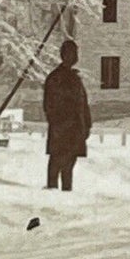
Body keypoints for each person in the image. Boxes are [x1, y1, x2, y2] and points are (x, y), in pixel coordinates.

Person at [43, 39, 93, 191]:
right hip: (62, 129)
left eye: (75, 53)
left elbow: (82, 103)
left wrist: (87, 124)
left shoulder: (75, 77)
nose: (74, 57)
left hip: (75, 129)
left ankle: (66, 192)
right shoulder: (55, 78)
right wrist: (61, 123)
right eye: (71, 53)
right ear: (64, 55)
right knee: (57, 162)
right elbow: (49, 105)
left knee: (69, 164)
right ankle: (52, 192)